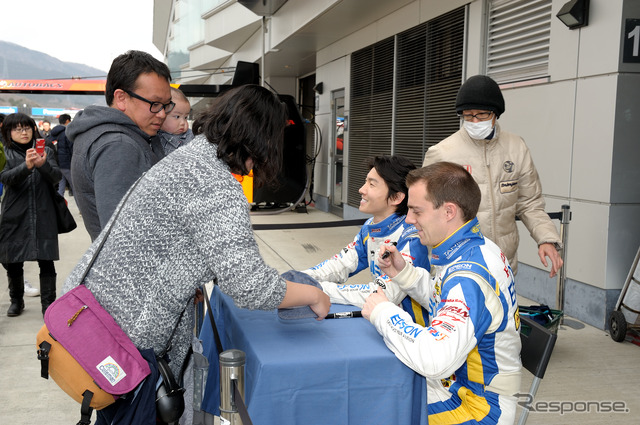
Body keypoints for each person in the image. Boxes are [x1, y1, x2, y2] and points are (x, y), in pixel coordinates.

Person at [62, 84, 330, 424]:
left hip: (98, 315)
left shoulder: (192, 156)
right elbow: (250, 286)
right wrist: (314, 295)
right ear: (261, 140)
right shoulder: (214, 183)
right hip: (127, 341)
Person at [363, 161, 522, 425]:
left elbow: (436, 360)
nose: (409, 220)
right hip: (462, 389)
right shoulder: (477, 248)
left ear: (449, 211)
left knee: (370, 410)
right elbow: (445, 300)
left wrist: (383, 312)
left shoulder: (468, 276)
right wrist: (405, 274)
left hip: (478, 408)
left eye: (416, 211)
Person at [422, 74, 562, 277]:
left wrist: (546, 238)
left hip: (504, 264)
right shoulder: (443, 153)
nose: (474, 121)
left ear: (496, 114)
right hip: (457, 265)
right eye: (468, 115)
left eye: (482, 115)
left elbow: (529, 202)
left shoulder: (516, 147)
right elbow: (423, 209)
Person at [301, 155, 430, 325]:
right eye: (365, 182)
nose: (362, 189)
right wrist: (303, 278)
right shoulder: (370, 226)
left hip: (415, 331)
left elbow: (384, 295)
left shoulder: (412, 237)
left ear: (396, 198)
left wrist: (317, 289)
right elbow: (341, 264)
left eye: (372, 184)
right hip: (384, 323)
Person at [66, 50, 172, 241]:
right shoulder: (118, 146)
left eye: (166, 105)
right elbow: (125, 237)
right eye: (155, 104)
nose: (162, 114)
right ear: (121, 98)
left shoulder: (105, 135)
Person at [0, 113, 62, 316]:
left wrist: (42, 165)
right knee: (14, 260)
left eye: (26, 127)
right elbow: (6, 179)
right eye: (17, 129)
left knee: (46, 259)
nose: (23, 132)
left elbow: (56, 177)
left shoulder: (45, 150)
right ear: (8, 132)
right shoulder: (6, 152)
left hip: (44, 211)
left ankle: (48, 306)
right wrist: (25, 167)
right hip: (15, 213)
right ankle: (16, 301)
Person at [157, 87, 194, 155]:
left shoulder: (190, 137)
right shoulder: (153, 136)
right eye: (177, 117)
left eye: (185, 117)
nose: (183, 123)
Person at [50, 114, 73, 196]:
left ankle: (59, 206)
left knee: (61, 187)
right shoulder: (67, 133)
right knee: (75, 186)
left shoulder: (53, 133)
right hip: (67, 164)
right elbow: (71, 149)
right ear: (67, 121)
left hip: (56, 163)